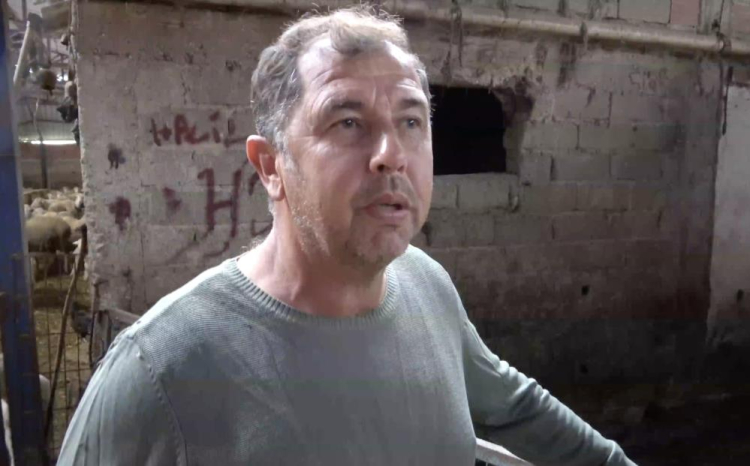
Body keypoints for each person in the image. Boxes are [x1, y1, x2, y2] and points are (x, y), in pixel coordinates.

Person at [58, 8, 636, 466]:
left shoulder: (427, 287)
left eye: (411, 121)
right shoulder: (157, 374)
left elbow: (513, 406)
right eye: (348, 123)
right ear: (270, 167)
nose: (392, 155)